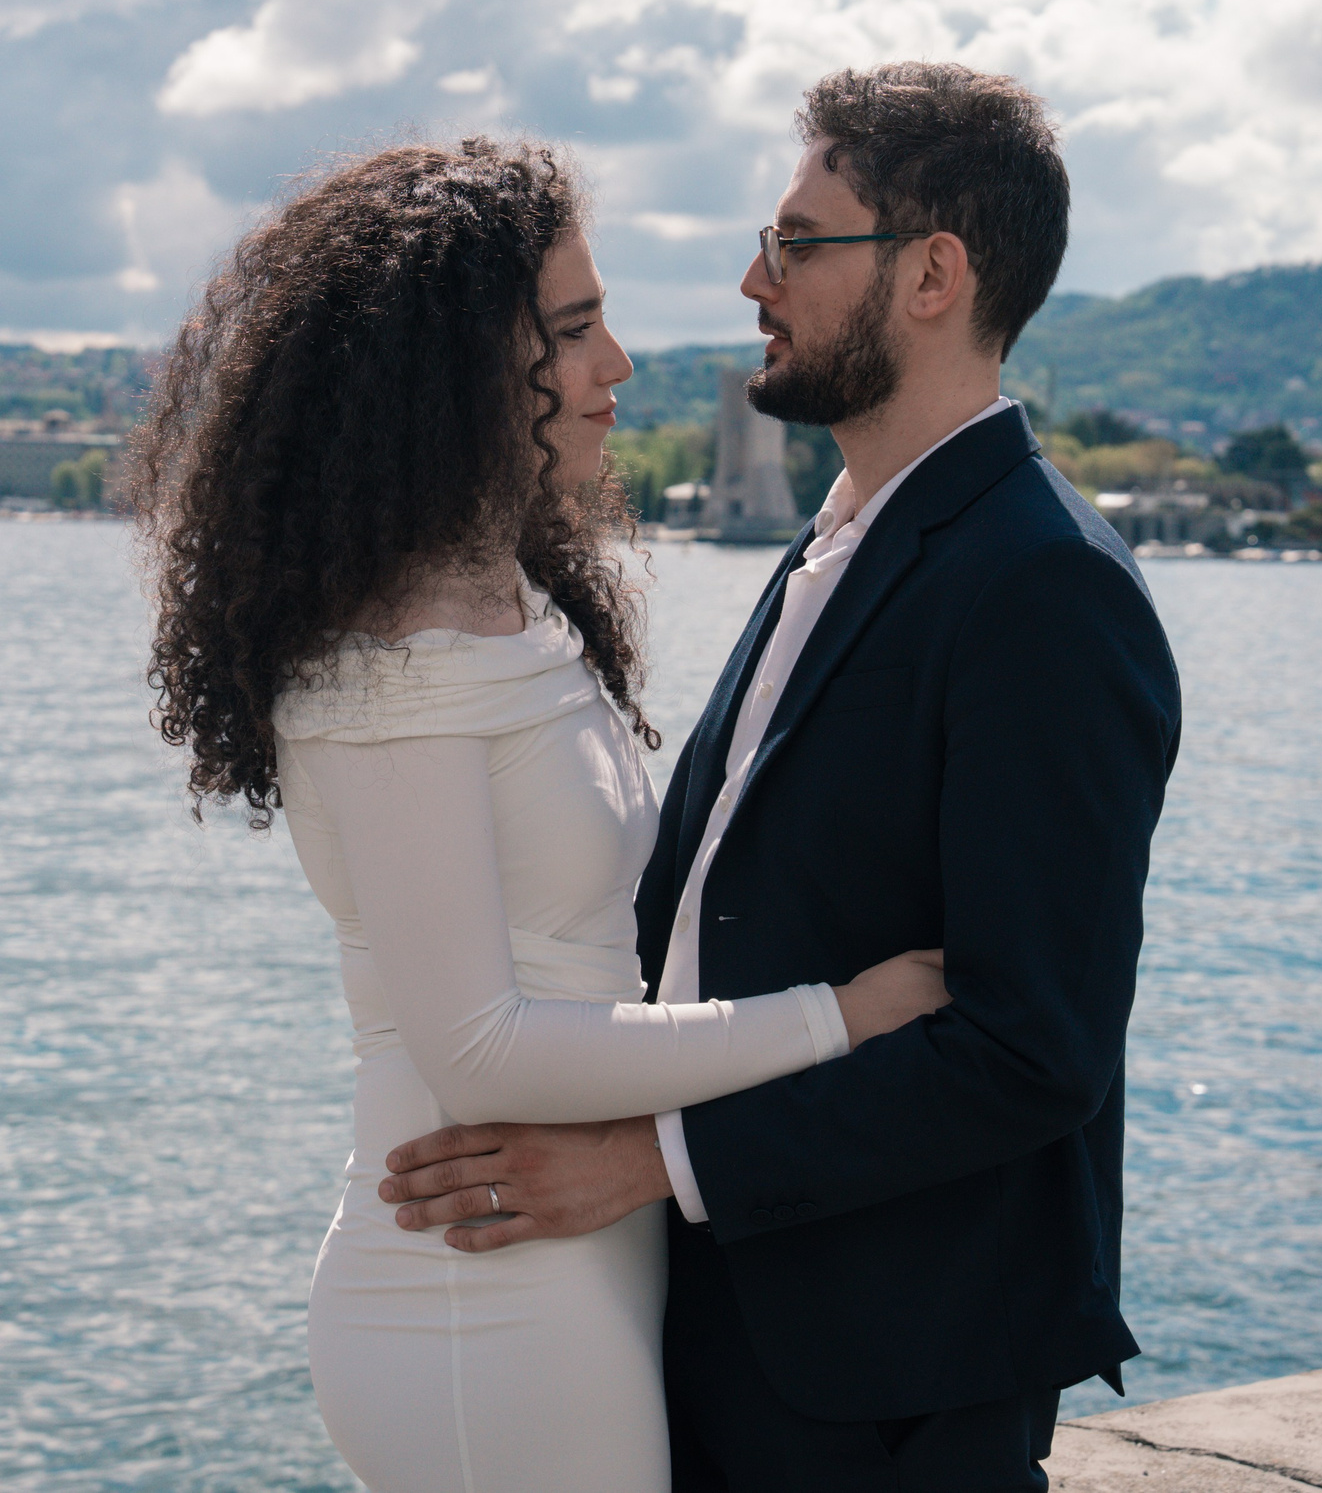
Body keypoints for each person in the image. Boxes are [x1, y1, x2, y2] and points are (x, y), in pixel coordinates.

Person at [376, 64, 1184, 1491]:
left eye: (799, 241)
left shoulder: (1044, 587)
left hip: (885, 1384)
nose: (756, 276)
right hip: (730, 1326)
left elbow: (1029, 1050)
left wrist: (647, 1163)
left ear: (933, 275)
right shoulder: (848, 538)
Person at [134, 137, 954, 1493]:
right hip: (475, 1300)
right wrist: (841, 1021)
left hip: (566, 1274)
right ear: (450, 375)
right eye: (572, 331)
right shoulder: (394, 654)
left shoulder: (504, 603)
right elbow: (483, 1053)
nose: (616, 365)